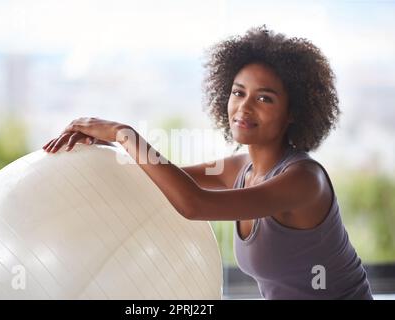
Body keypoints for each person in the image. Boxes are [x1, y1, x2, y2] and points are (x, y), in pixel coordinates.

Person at [43, 26, 372, 300]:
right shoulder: (237, 169)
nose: (244, 108)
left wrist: (124, 134)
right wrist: (97, 155)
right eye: (238, 92)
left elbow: (193, 204)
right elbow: (157, 180)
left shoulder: (304, 181)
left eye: (264, 98)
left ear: (293, 113)